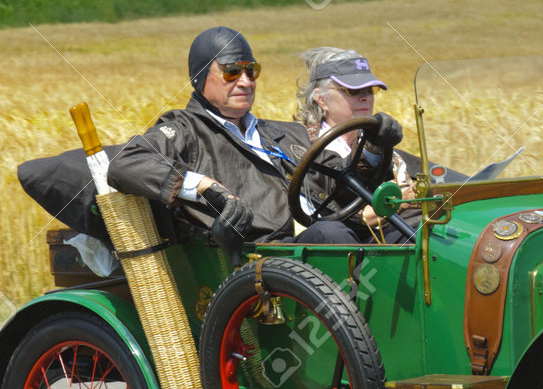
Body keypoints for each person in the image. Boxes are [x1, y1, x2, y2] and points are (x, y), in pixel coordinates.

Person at [108, 27, 398, 255]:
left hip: (326, 238)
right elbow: (127, 163)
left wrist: (375, 148)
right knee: (331, 236)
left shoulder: (286, 133)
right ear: (200, 77)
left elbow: (342, 188)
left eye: (251, 71)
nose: (246, 81)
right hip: (267, 256)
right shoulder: (186, 130)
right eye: (232, 71)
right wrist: (203, 186)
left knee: (410, 232)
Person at [293, 47, 419, 244]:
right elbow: (321, 221)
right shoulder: (300, 149)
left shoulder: (379, 146)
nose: (365, 97)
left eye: (370, 90)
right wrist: (399, 202)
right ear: (321, 99)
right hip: (333, 245)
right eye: (352, 90)